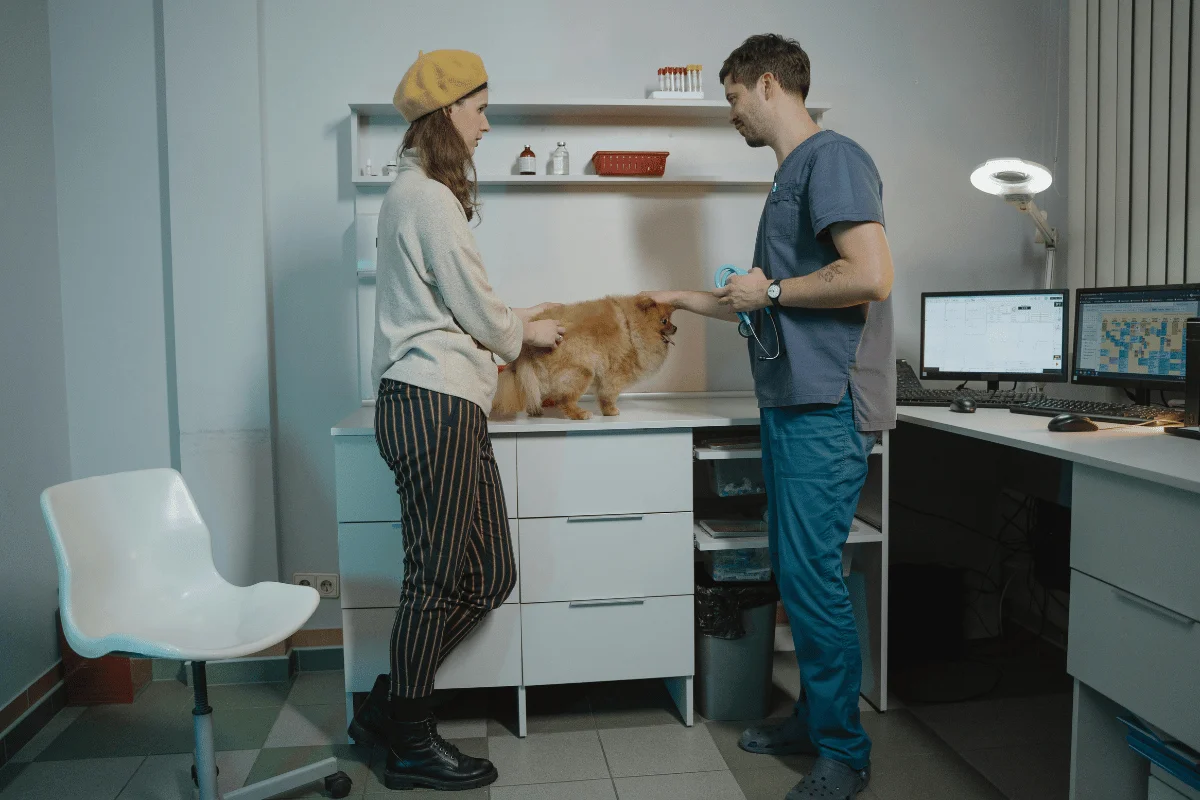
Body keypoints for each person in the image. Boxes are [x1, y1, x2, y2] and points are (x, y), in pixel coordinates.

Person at [648, 34, 895, 800]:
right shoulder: (792, 178)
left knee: (815, 579)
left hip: (827, 408)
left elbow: (870, 276)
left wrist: (775, 293)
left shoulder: (833, 159)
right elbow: (764, 304)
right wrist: (683, 300)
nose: (731, 114)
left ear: (765, 84)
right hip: (793, 405)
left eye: (731, 98)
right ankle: (814, 723)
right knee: (795, 571)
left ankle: (844, 756)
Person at [348, 48, 564, 792]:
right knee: (437, 580)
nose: (486, 121)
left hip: (446, 403)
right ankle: (410, 736)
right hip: (430, 403)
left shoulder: (415, 195)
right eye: (478, 107)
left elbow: (456, 300)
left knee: (489, 575)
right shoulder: (429, 200)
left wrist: (507, 320)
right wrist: (522, 331)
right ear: (447, 113)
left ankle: (389, 705)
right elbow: (475, 307)